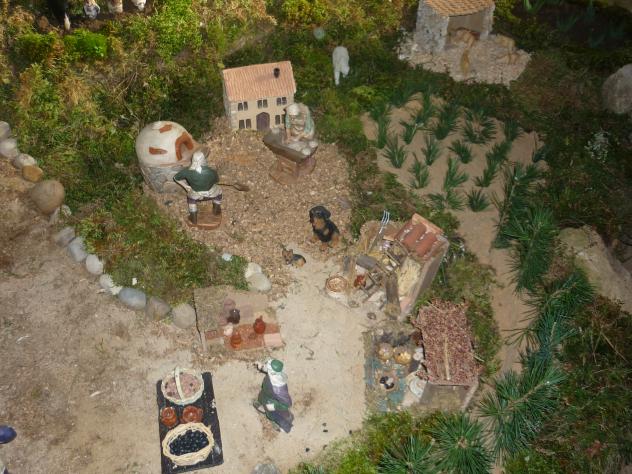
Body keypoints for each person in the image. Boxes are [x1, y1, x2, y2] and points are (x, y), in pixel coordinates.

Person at [173, 150, 222, 224]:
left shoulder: (187, 171)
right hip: (211, 193)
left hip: (195, 195)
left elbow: (175, 178)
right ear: (203, 159)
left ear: (193, 159)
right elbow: (216, 181)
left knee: (191, 199)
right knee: (219, 190)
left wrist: (185, 186)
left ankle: (193, 218)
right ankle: (216, 210)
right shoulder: (212, 171)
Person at [253, 359, 294, 433]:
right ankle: (263, 406)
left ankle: (285, 426)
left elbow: (287, 404)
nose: (266, 366)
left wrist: (275, 406)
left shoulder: (279, 390)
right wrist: (261, 366)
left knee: (273, 415)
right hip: (267, 394)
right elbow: (268, 369)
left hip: (273, 402)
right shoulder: (273, 374)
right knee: (262, 398)